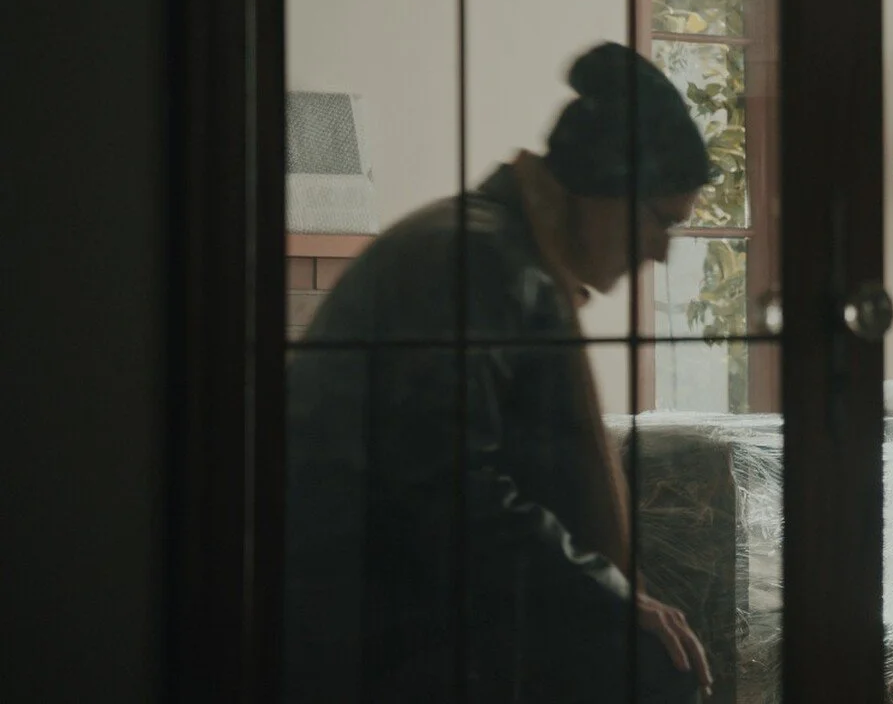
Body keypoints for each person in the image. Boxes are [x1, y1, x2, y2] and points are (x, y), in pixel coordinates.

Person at [284, 42, 713, 703]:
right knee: (653, 666)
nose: (661, 249)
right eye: (664, 221)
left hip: (396, 604)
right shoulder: (476, 262)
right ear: (607, 186)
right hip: (370, 624)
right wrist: (609, 594)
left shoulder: (490, 246)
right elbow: (448, 489)